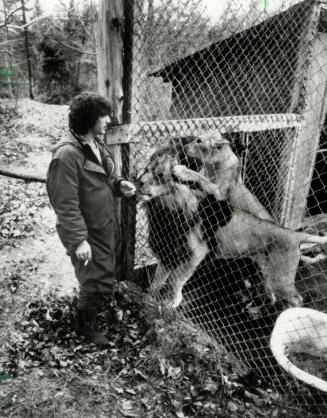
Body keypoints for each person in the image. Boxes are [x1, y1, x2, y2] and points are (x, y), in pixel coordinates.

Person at [46, 92, 136, 347]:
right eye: (103, 115)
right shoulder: (66, 156)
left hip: (104, 224)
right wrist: (78, 240)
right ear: (88, 119)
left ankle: (96, 314)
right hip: (87, 231)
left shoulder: (96, 143)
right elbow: (64, 204)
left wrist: (120, 185)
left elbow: (106, 177)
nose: (108, 120)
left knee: (105, 273)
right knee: (93, 280)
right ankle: (88, 328)